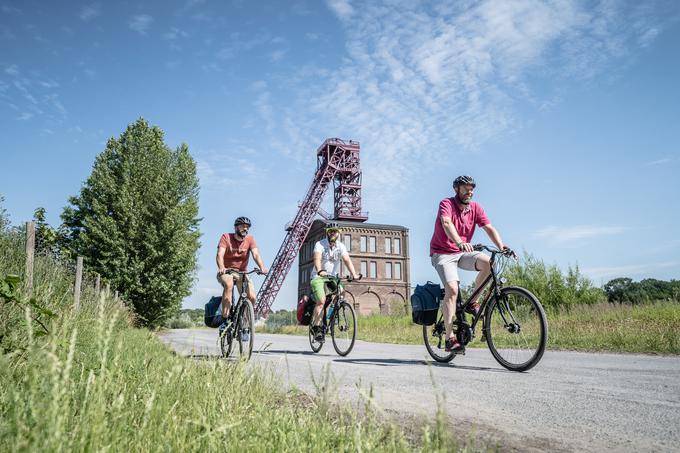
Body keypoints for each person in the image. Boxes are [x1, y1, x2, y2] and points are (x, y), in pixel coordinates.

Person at [430, 175, 510, 352]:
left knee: (489, 263)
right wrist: (459, 241)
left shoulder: (475, 208)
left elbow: (489, 227)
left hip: (462, 252)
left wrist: (501, 246)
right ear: (457, 189)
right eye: (465, 188)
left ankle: (473, 302)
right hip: (442, 253)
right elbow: (446, 222)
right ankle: (450, 338)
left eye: (472, 188)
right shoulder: (447, 203)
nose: (469, 191)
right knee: (452, 289)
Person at [216, 216, 268, 332]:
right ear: (236, 227)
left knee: (252, 297)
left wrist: (262, 267)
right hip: (226, 271)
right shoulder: (226, 237)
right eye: (243, 226)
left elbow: (256, 254)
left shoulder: (250, 239)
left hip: (242, 273)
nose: (245, 229)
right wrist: (221, 267)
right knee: (229, 284)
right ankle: (224, 320)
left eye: (247, 227)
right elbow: (220, 254)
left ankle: (244, 324)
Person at [310, 223, 360, 341]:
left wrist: (354, 274)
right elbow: (317, 259)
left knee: (342, 293)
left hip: (332, 277)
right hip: (318, 277)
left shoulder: (341, 246)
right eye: (331, 231)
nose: (333, 233)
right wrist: (320, 270)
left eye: (335, 231)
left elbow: (347, 260)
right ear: (327, 232)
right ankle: (317, 328)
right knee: (321, 301)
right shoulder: (320, 244)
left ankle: (333, 313)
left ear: (338, 233)